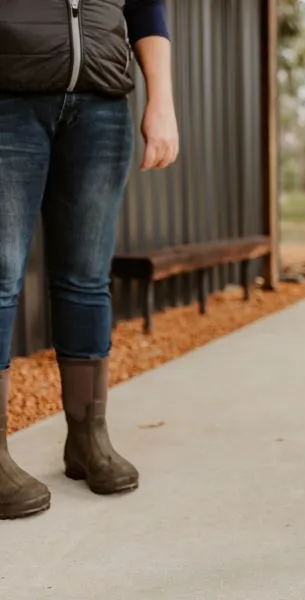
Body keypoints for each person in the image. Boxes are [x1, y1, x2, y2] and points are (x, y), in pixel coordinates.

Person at [0, 0, 179, 520]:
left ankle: (87, 438)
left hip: (101, 102)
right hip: (8, 99)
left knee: (86, 279)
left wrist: (161, 100)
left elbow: (146, 6)